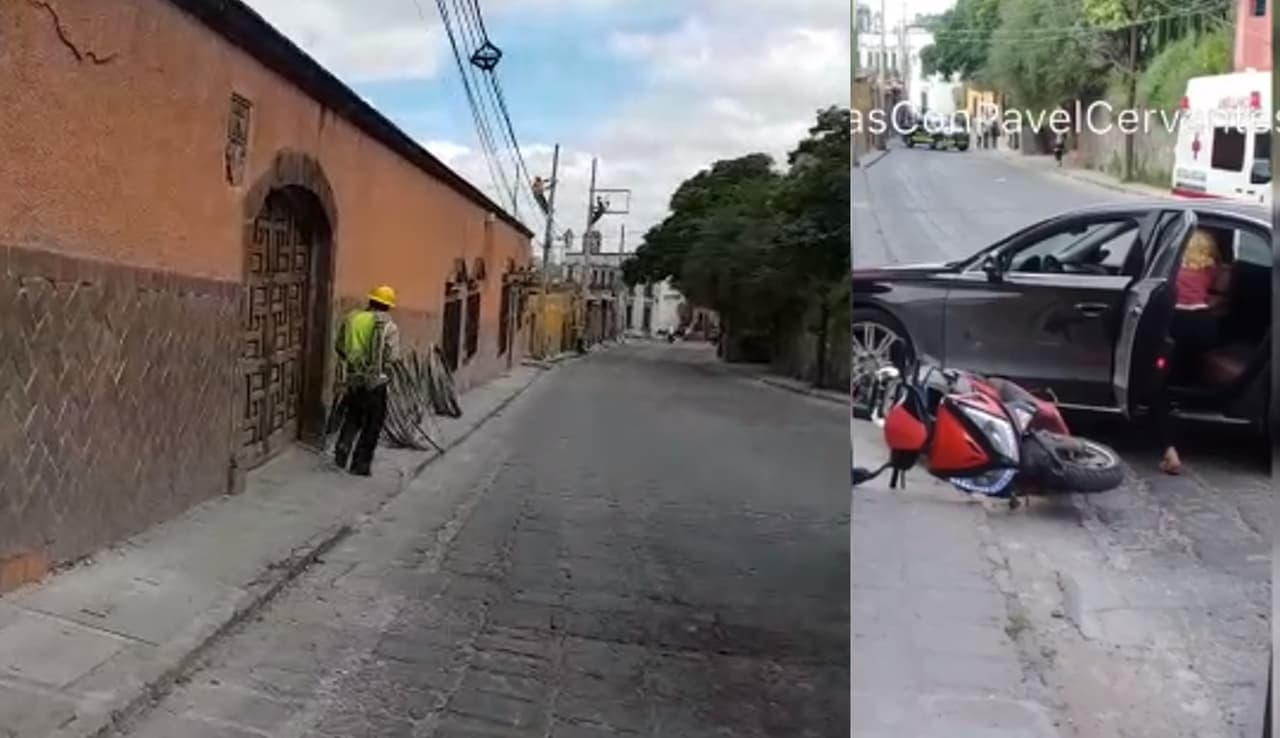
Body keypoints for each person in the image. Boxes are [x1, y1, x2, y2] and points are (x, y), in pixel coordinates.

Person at [1153, 229, 1231, 475]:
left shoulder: (1172, 267)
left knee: (1160, 385)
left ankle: (1169, 449)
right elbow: (1218, 295)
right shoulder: (1211, 269)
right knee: (1191, 364)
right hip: (1203, 324)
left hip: (1176, 321)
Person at [333, 285, 401, 476]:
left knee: (353, 414)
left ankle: (343, 445)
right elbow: (392, 357)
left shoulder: (352, 318)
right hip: (376, 382)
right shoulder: (389, 327)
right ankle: (360, 465)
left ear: (371, 301)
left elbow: (339, 347)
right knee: (373, 424)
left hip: (353, 378)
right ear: (388, 306)